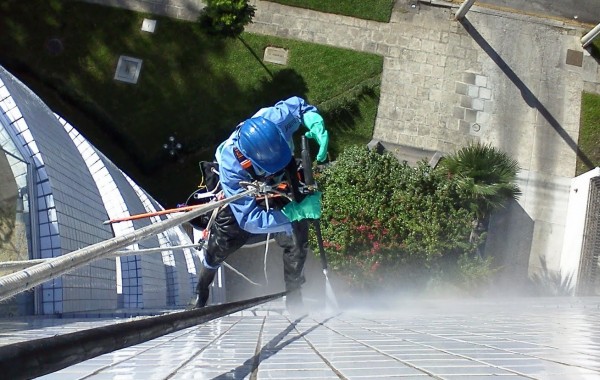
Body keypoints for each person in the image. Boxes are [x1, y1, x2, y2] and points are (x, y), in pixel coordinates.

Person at [192, 96, 329, 312]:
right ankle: (202, 287)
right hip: (245, 191)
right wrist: (293, 213)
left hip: (281, 175)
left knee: (297, 240)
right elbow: (249, 219)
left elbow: (298, 106)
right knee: (221, 241)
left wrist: (313, 119)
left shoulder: (273, 119)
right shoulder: (231, 168)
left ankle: (294, 293)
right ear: (249, 160)